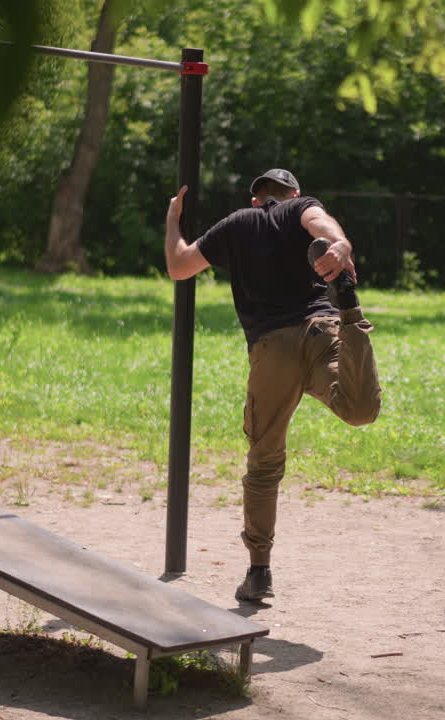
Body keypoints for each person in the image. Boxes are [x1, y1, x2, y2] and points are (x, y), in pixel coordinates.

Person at [164, 168, 383, 602]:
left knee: (264, 465)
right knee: (360, 411)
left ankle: (259, 572)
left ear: (256, 200)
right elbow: (321, 223)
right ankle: (351, 311)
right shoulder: (302, 209)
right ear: (294, 194)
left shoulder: (237, 223)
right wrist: (340, 245)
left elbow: (179, 266)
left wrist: (173, 220)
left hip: (271, 348)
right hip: (322, 332)